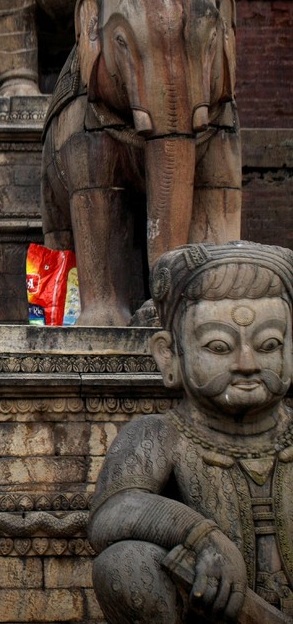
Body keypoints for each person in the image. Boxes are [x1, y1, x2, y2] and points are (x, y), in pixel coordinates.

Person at [89, 241, 293, 623]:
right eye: (219, 346)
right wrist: (203, 536)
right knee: (124, 563)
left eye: (269, 345)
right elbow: (112, 512)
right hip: (208, 612)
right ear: (170, 355)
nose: (247, 364)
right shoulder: (161, 435)